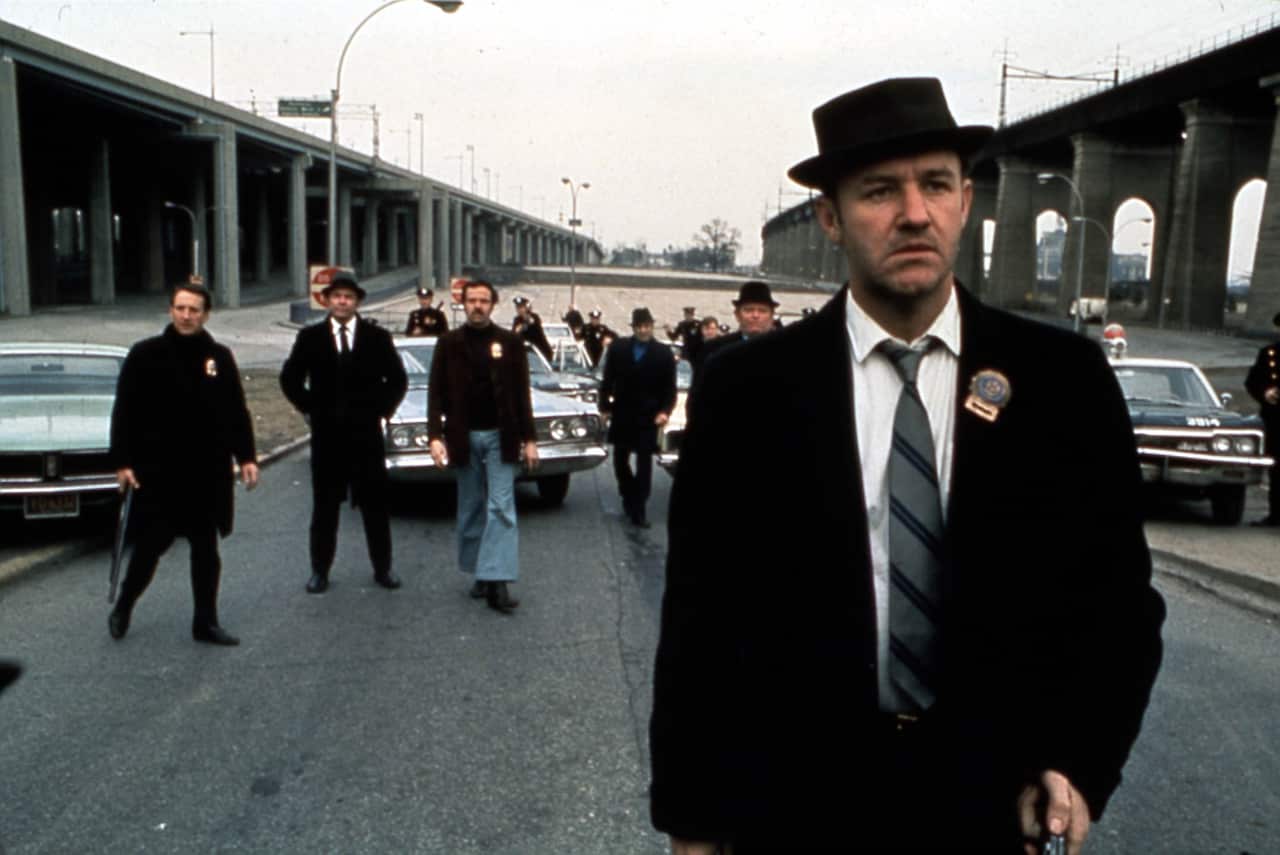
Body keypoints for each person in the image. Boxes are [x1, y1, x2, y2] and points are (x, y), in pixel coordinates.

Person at [649, 77, 1165, 854]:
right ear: (830, 216)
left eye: (935, 184)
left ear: (965, 200)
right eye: (880, 191)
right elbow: (701, 620)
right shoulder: (746, 394)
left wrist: (1077, 760)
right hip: (796, 808)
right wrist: (692, 821)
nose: (914, 213)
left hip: (991, 806)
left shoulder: (1065, 383)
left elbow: (1119, 606)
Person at [108, 283, 259, 645]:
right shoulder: (145, 354)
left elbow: (236, 411)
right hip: (158, 472)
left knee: (206, 551)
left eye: (194, 310)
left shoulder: (219, 357)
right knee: (149, 548)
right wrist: (123, 462)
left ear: (206, 314)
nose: (186, 316)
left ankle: (205, 623)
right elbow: (124, 411)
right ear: (170, 310)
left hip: (206, 473)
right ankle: (124, 605)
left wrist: (247, 456)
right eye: (180, 308)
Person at [280, 272, 408, 594]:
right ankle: (319, 571)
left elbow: (397, 380)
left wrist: (381, 411)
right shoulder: (310, 337)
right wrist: (310, 408)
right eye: (336, 296)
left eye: (348, 297)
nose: (342, 302)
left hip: (366, 436)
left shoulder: (377, 338)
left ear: (358, 302)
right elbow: (290, 379)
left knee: (375, 507)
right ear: (327, 300)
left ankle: (383, 569)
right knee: (324, 508)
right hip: (327, 438)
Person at [427, 280, 539, 614]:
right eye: (471, 300)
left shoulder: (510, 343)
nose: (477, 305)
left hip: (501, 437)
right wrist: (435, 437)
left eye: (483, 300)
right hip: (463, 436)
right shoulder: (448, 343)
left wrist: (530, 439)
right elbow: (435, 393)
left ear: (493, 304)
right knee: (472, 507)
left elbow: (522, 395)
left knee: (501, 507)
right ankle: (481, 571)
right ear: (462, 303)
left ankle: (499, 581)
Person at [598, 307, 677, 528]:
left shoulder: (663, 353)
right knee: (619, 461)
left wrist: (664, 412)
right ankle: (628, 492)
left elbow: (669, 389)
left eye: (647, 326)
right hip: (622, 413)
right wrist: (604, 407)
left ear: (652, 327)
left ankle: (639, 508)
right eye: (640, 326)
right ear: (633, 328)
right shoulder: (618, 348)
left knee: (644, 464)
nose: (643, 330)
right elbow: (607, 381)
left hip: (648, 417)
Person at [1245, 311, 1280, 526]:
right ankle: (1275, 514)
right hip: (1275, 419)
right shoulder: (1269, 354)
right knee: (1276, 469)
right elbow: (1252, 381)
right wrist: (1265, 393)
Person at [511, 295, 553, 360]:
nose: (519, 310)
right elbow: (514, 333)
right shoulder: (517, 320)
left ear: (526, 307)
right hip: (526, 353)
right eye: (517, 307)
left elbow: (531, 321)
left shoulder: (534, 317)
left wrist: (526, 315)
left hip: (541, 353)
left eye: (521, 307)